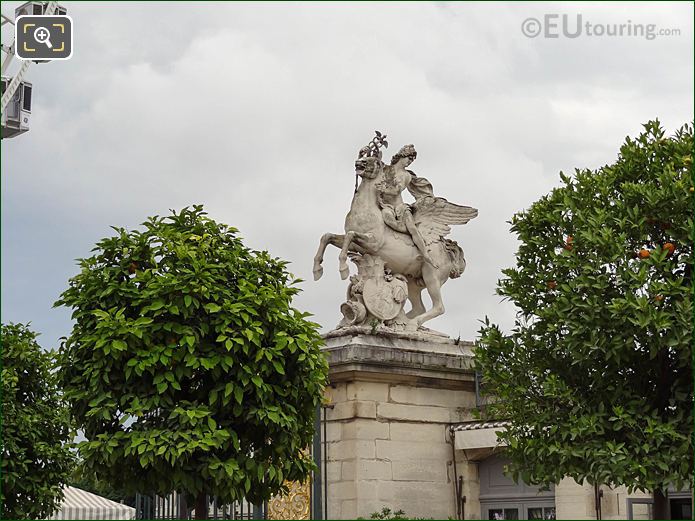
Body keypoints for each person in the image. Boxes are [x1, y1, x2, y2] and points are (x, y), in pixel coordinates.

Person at [376, 144, 438, 267]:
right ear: (402, 155)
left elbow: (396, 191)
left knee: (413, 228)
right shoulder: (385, 169)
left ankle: (425, 254)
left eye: (412, 160)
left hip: (400, 208)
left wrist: (382, 189)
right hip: (385, 206)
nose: (409, 162)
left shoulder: (406, 175)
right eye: (409, 158)